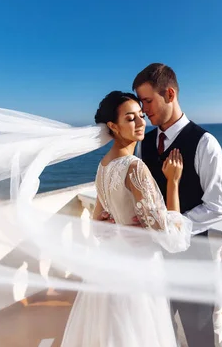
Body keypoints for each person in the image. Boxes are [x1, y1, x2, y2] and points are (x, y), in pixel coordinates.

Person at [61, 91, 193, 347]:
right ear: (113, 126)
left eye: (141, 116)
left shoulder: (103, 165)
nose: (142, 122)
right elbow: (170, 237)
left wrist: (120, 227)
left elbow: (98, 225)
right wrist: (173, 183)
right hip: (138, 270)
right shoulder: (134, 167)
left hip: (110, 266)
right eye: (131, 118)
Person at [133, 63, 222, 346]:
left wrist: (174, 227)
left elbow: (219, 205)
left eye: (148, 100)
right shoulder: (144, 143)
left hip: (193, 269)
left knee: (200, 339)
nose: (143, 109)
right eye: (140, 102)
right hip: (152, 265)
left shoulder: (205, 143)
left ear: (170, 93)